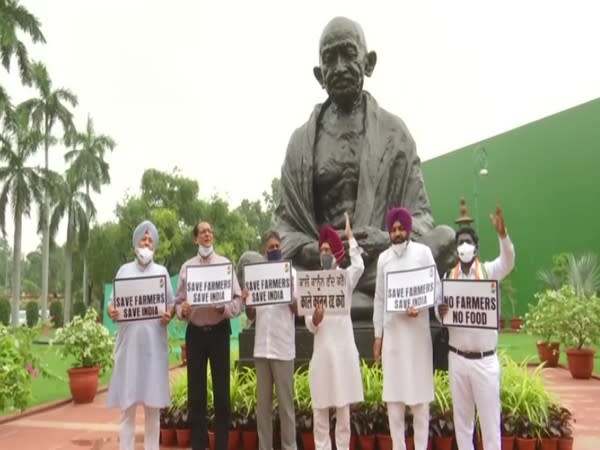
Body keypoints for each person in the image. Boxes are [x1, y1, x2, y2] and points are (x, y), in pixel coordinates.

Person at [267, 16, 456, 318]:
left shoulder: (395, 133)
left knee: (446, 239)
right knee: (252, 264)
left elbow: (422, 218)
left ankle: (338, 298)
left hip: (378, 259)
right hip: (321, 263)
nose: (339, 66)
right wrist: (311, 249)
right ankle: (361, 299)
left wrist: (387, 237)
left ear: (368, 63)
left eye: (348, 54)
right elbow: (282, 226)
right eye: (330, 59)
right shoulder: (300, 142)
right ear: (320, 75)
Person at [438, 205, 515, 450]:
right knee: (462, 424)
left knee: (490, 424)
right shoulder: (449, 278)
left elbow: (508, 262)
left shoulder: (489, 272)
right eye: (460, 243)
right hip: (458, 359)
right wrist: (440, 314)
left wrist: (503, 236)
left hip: (485, 361)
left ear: (476, 247)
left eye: (468, 242)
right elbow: (441, 314)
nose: (464, 246)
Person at [373, 207, 441, 450]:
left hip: (417, 337)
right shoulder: (383, 259)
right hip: (393, 339)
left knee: (420, 404)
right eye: (393, 229)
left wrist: (422, 305)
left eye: (401, 228)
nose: (398, 233)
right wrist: (377, 336)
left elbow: (436, 288)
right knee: (394, 403)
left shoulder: (423, 253)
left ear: (409, 230)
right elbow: (379, 299)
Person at [174, 221, 244, 450]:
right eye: (202, 232)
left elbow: (238, 302)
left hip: (219, 332)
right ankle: (199, 445)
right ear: (196, 239)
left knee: (222, 395)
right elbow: (177, 304)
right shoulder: (186, 268)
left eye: (210, 231)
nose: (207, 234)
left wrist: (224, 308)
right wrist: (181, 311)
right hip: (195, 334)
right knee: (196, 396)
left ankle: (221, 445)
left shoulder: (225, 266)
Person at [106, 220, 175, 450]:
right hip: (129, 349)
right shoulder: (124, 271)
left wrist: (169, 315)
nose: (147, 243)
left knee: (153, 410)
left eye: (150, 240)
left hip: (153, 349)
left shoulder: (161, 272)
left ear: (154, 245)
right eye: (143, 240)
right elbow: (112, 304)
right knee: (127, 409)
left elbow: (171, 305)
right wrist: (112, 311)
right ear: (136, 243)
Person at [305, 212, 364, 450]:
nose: (325, 254)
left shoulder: (345, 278)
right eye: (322, 250)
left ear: (336, 254)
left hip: (342, 351)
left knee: (343, 412)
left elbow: (359, 265)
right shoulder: (314, 281)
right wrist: (315, 320)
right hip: (321, 353)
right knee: (320, 411)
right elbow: (309, 323)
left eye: (329, 250)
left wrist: (350, 238)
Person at [242, 231, 297, 450]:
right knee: (262, 406)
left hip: (283, 347)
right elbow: (251, 315)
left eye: (277, 246)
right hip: (262, 348)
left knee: (286, 406)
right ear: (264, 250)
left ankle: (289, 446)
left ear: (281, 248)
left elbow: (297, 309)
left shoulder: (291, 273)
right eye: (270, 247)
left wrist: (290, 292)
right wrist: (247, 302)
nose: (274, 249)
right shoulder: (256, 275)